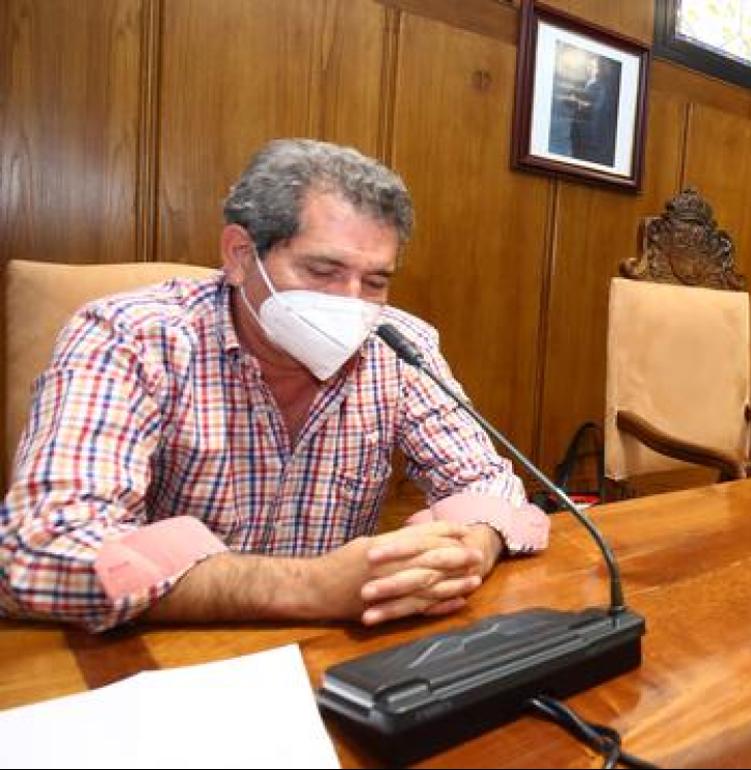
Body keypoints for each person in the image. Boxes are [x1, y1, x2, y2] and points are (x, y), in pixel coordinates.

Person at [0, 138, 549, 632]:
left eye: (375, 280)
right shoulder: (132, 336)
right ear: (241, 256)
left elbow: (488, 485)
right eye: (322, 272)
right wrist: (313, 587)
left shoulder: (399, 344)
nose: (351, 301)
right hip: (165, 654)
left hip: (330, 654)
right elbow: (44, 551)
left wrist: (467, 551)